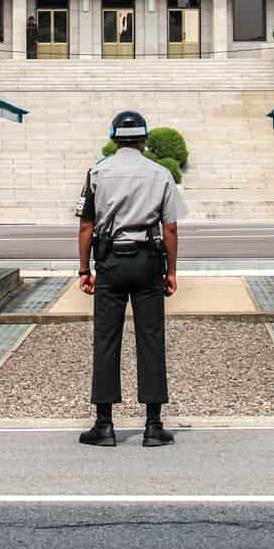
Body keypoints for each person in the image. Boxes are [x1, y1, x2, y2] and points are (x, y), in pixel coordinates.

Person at [76, 110, 183, 448]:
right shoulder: (161, 173)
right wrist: (171, 271)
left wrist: (84, 269)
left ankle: (104, 425)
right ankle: (153, 426)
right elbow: (170, 227)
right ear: (144, 138)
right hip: (148, 260)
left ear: (114, 138)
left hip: (109, 260)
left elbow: (85, 226)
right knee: (151, 338)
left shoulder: (97, 173)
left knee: (106, 339)